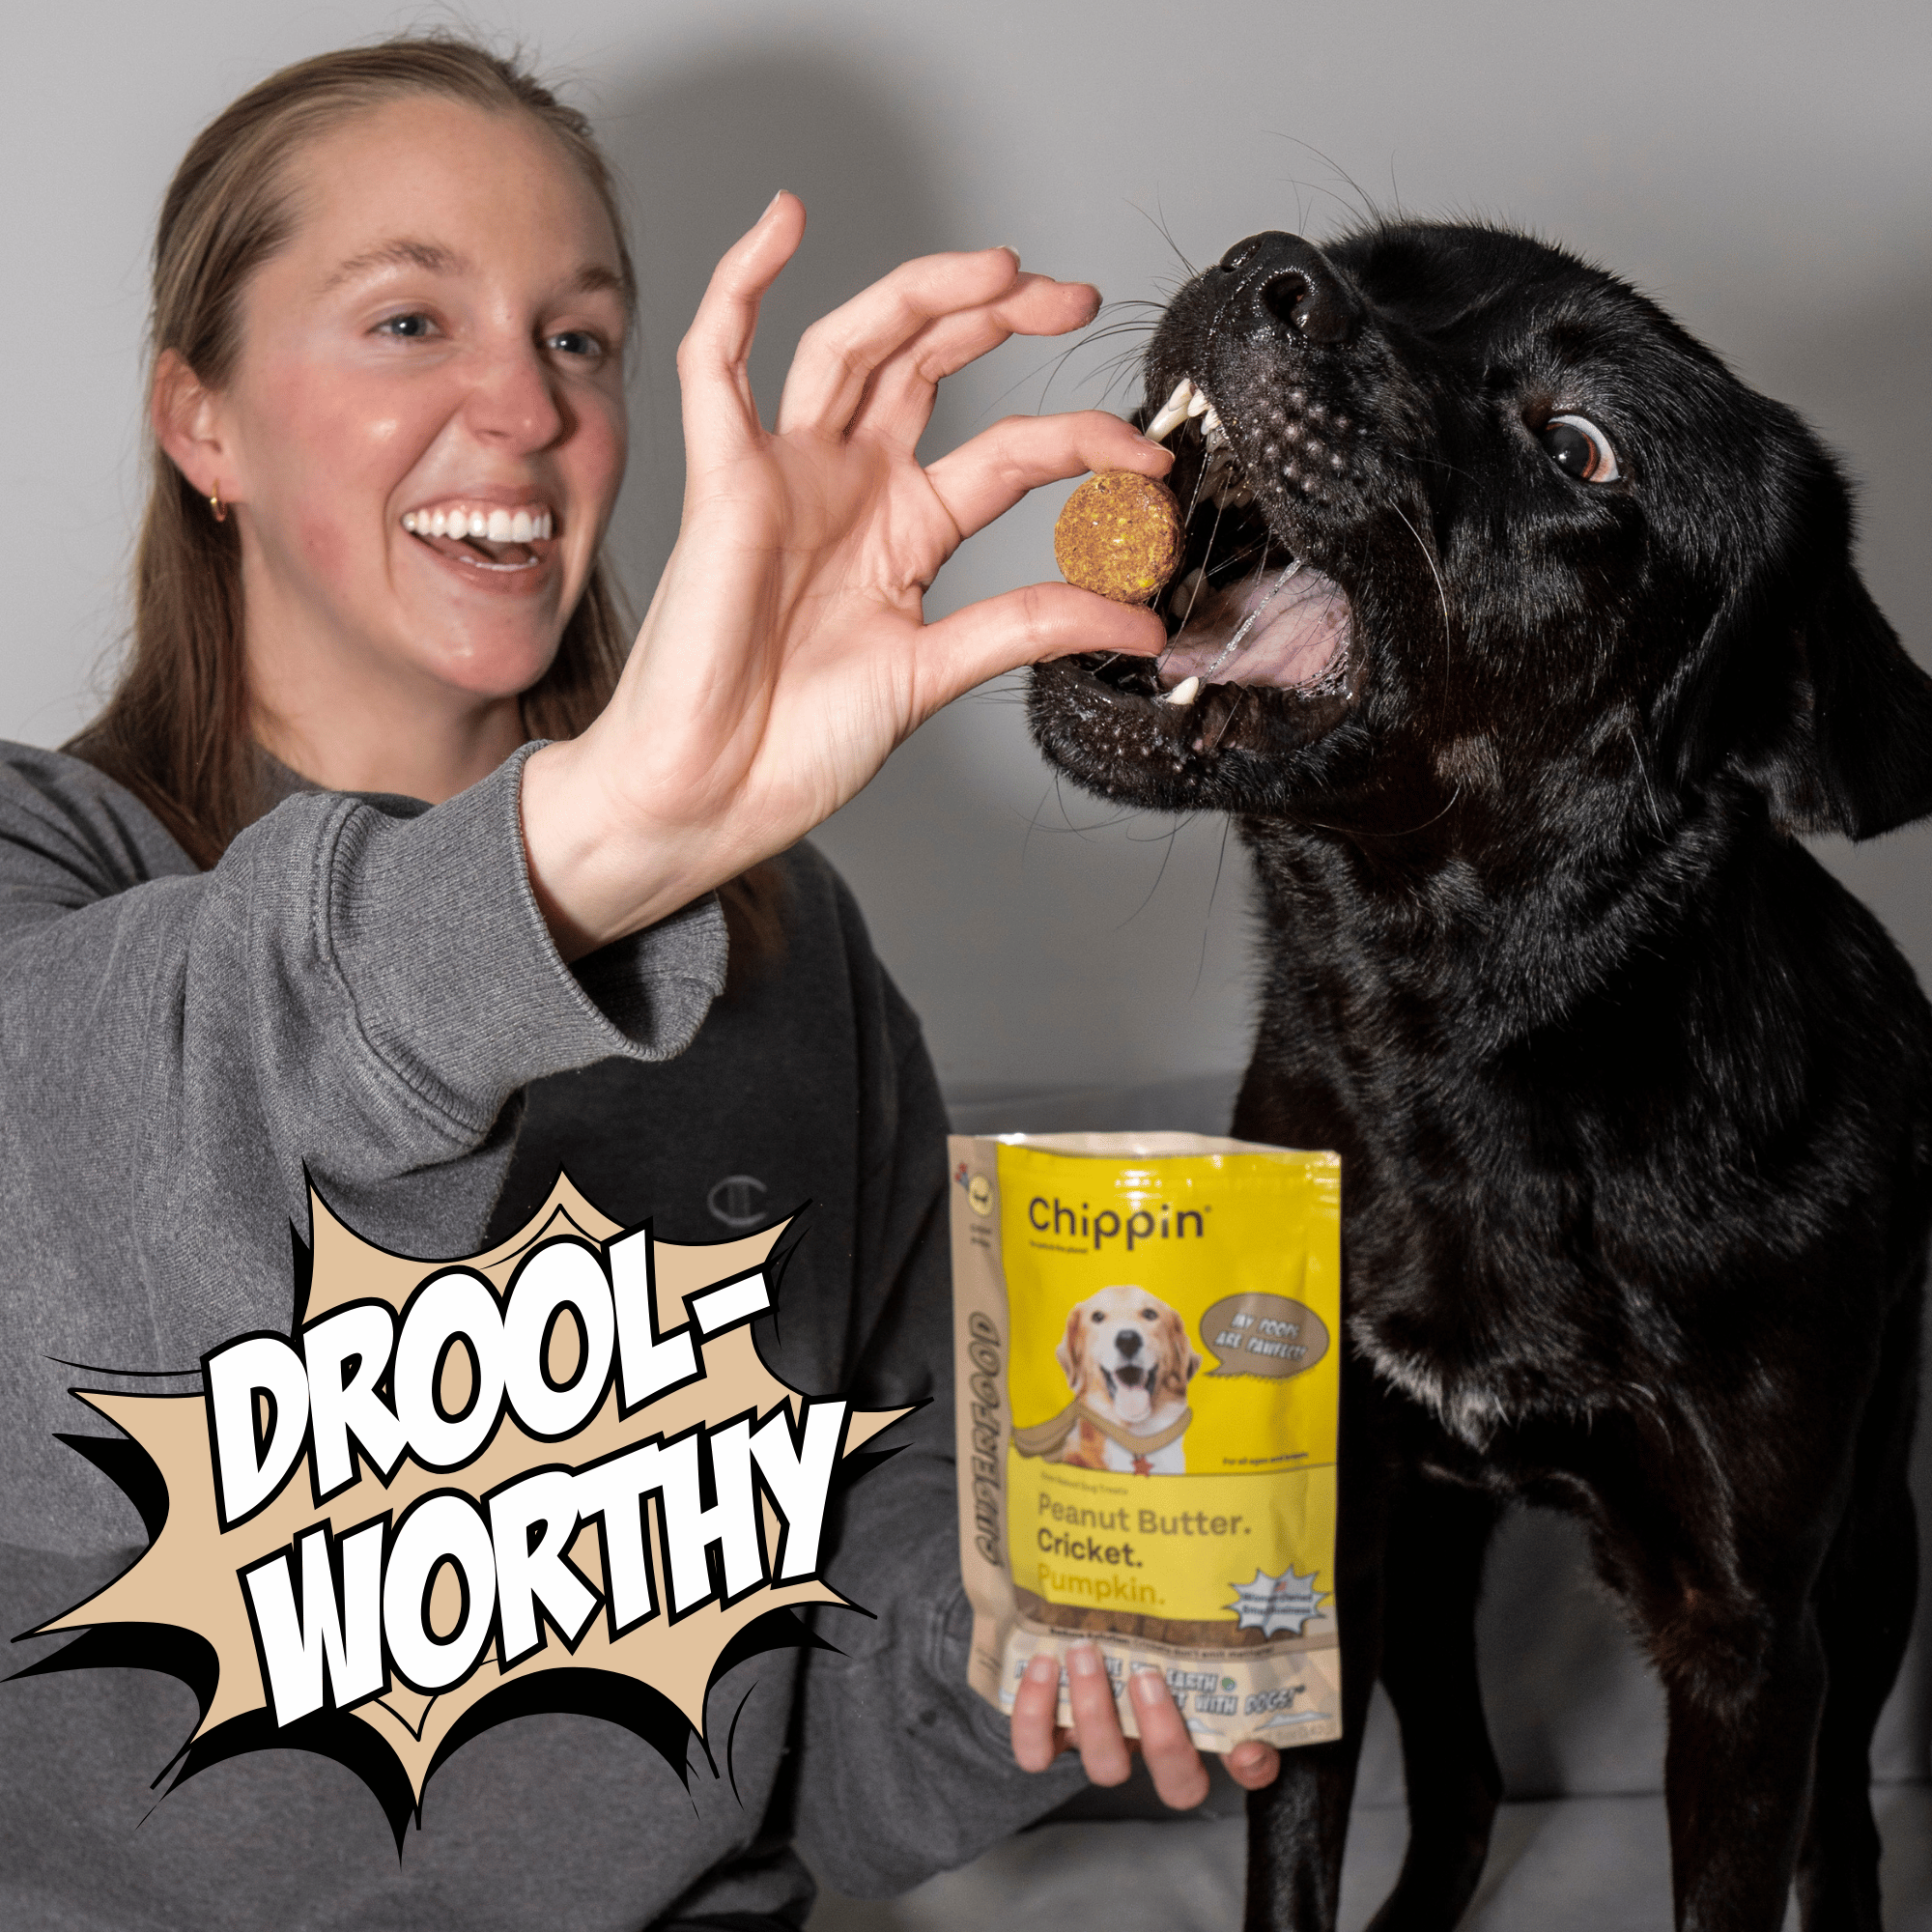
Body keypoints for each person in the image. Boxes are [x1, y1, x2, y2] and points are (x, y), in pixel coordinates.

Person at [0, 36, 1275, 1930]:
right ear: (203, 422)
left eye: (578, 338)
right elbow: (106, 1172)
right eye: (410, 320)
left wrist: (1018, 1652)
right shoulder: (49, 868)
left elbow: (839, 1618)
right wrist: (582, 846)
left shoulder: (781, 942)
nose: (522, 406)